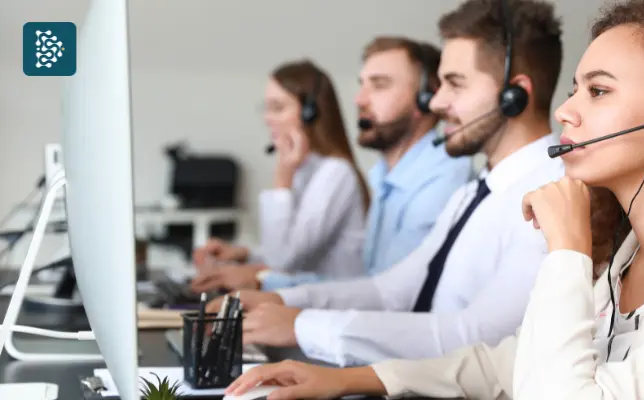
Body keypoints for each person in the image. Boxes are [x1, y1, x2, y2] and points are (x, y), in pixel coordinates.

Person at [224, 0, 644, 399]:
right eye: (575, 89)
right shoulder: (627, 261)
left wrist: (568, 253)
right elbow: (512, 363)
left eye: (598, 91)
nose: (567, 111)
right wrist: (356, 379)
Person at [218, 0, 564, 368]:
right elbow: (392, 290)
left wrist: (304, 326)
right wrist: (283, 301)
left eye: (455, 84)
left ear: (516, 95)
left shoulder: (549, 194)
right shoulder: (476, 190)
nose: (437, 101)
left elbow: (479, 337)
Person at [190, 60, 371, 292]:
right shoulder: (307, 169)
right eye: (266, 108)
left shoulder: (335, 173)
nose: (267, 118)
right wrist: (243, 253)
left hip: (332, 312)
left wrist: (282, 177)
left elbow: (284, 261)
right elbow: (291, 247)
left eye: (277, 107)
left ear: (309, 113)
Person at [356, 37, 473, 275]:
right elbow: (367, 280)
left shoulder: (445, 174)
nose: (359, 100)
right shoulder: (380, 173)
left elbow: (388, 292)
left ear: (426, 99)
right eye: (362, 84)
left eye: (379, 85)